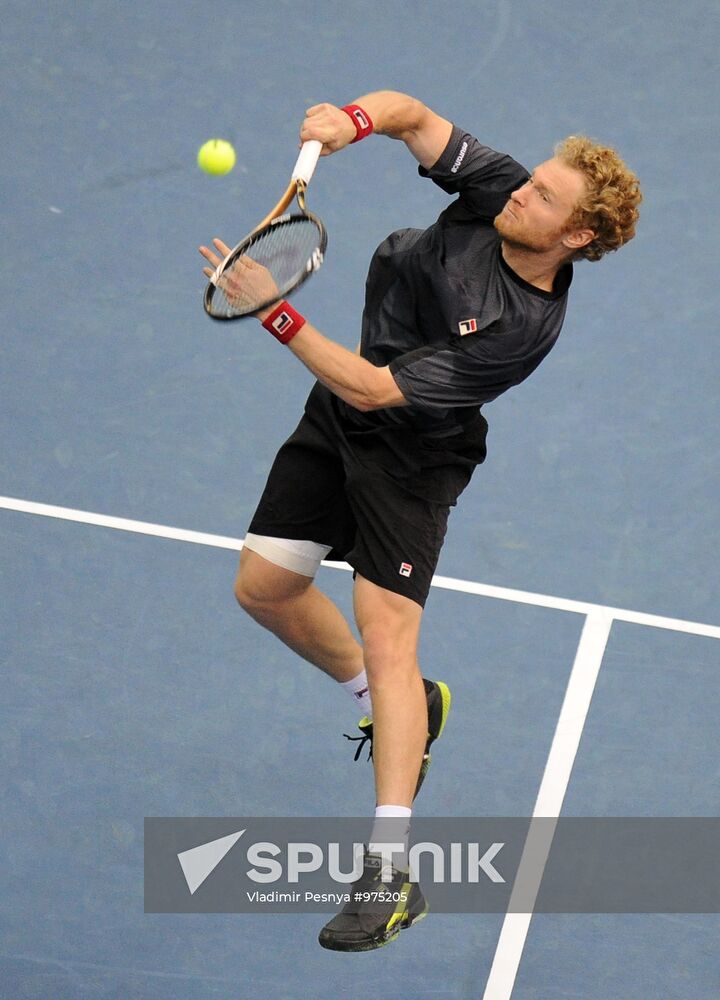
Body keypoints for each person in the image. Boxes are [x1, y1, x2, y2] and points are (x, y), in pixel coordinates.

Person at [199, 90, 642, 951]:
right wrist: (350, 123)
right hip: (340, 408)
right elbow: (410, 114)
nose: (521, 195)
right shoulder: (499, 189)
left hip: (413, 455)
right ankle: (398, 705)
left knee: (388, 634)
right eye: (530, 183)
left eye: (545, 200)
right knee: (265, 590)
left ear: (577, 238)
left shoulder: (520, 327)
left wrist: (273, 308)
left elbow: (380, 391)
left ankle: (389, 874)